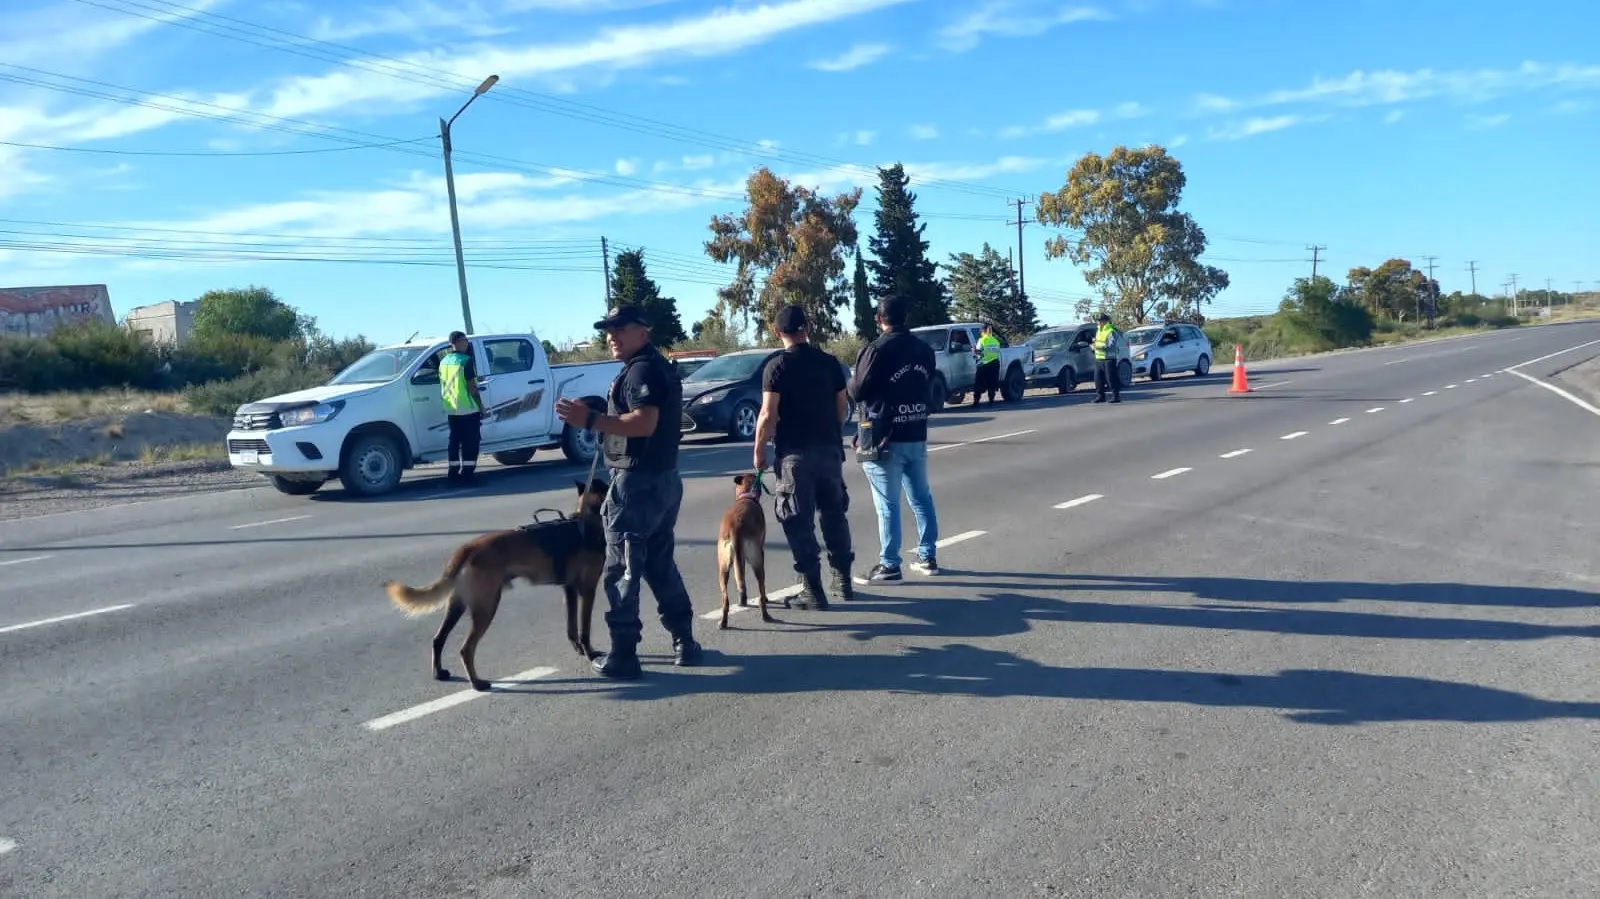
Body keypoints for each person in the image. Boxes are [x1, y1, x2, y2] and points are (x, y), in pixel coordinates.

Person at [555, 306, 702, 680]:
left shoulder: (642, 370)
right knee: (658, 563)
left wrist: (589, 420)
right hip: (662, 478)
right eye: (608, 329)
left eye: (620, 328)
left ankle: (623, 653)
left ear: (643, 331)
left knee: (621, 569)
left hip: (638, 483)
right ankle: (685, 641)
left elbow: (644, 422)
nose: (612, 335)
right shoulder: (650, 366)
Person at [753, 305, 854, 609]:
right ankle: (843, 581)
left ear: (776, 332)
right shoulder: (829, 362)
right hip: (829, 449)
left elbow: (768, 414)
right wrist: (832, 432)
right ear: (807, 327)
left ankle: (812, 588)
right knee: (834, 514)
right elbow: (841, 404)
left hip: (794, 454)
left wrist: (758, 450)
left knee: (797, 520)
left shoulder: (777, 366)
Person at [849, 295, 940, 584]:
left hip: (883, 435)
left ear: (879, 319)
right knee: (921, 497)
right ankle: (927, 556)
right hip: (915, 429)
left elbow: (858, 390)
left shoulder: (876, 350)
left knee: (887, 503)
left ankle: (889, 564)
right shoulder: (924, 349)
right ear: (905, 317)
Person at [440, 330, 485, 482]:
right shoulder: (466, 361)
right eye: (464, 340)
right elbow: (472, 388)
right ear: (457, 342)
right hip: (468, 408)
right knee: (470, 442)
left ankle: (453, 472)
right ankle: (468, 474)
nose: (466, 343)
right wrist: (481, 406)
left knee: (454, 441)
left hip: (452, 408)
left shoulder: (444, 361)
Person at [1092, 312, 1123, 405]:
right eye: (1098, 321)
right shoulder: (1098, 330)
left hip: (1109, 358)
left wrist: (1097, 347)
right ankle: (1100, 396)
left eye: (1100, 320)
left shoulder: (1110, 331)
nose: (1098, 322)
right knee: (1098, 378)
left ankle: (1115, 396)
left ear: (1105, 321)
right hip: (1099, 358)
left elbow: (1111, 345)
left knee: (1110, 378)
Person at [972, 322, 1002, 407]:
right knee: (992, 383)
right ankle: (991, 401)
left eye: (981, 331)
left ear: (983, 331)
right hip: (995, 363)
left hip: (984, 364)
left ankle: (976, 402)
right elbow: (996, 351)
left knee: (978, 384)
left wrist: (974, 350)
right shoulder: (995, 340)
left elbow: (979, 353)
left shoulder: (982, 340)